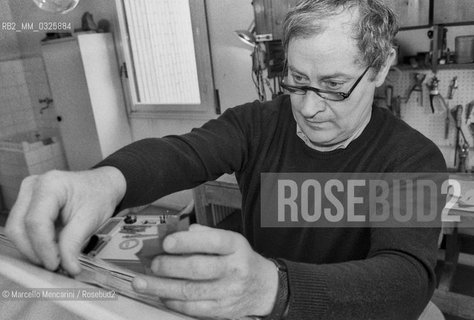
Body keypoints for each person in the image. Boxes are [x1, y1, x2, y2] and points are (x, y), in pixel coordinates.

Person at [5, 0, 447, 319]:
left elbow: (406, 278)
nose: (309, 107)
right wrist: (107, 180)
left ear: (382, 67)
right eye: (296, 79)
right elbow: (183, 152)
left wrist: (274, 287)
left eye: (334, 85)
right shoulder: (256, 124)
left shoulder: (412, 159)